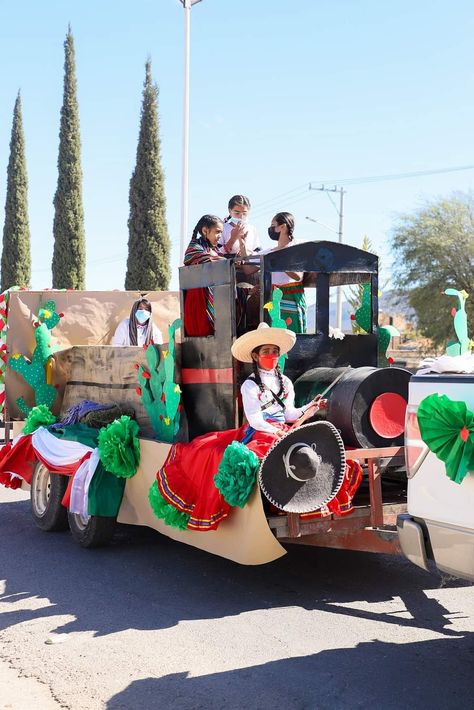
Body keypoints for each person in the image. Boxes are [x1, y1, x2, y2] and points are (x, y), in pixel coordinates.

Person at [153, 323, 326, 531]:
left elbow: (289, 413)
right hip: (261, 432)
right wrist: (276, 431)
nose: (271, 355)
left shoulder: (286, 383)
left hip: (281, 429)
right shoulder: (250, 385)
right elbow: (255, 420)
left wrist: (311, 408)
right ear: (255, 356)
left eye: (274, 351)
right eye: (266, 351)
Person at [246, 212, 307, 333]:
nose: (270, 229)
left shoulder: (296, 248)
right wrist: (243, 246)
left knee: (291, 334)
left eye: (273, 225)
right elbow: (248, 270)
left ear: (283, 227)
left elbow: (297, 276)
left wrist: (280, 257)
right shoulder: (269, 252)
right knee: (273, 335)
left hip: (291, 297)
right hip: (272, 298)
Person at [182, 214, 225, 337]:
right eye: (217, 232)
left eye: (221, 232)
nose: (220, 236)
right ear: (205, 231)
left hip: (215, 297)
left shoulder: (215, 250)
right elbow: (204, 260)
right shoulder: (194, 248)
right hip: (199, 299)